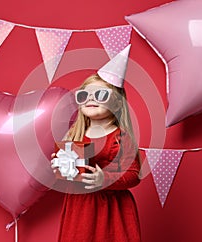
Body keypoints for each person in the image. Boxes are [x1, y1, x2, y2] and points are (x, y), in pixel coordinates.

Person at [52, 45, 141, 242]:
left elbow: (133, 175)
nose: (91, 99)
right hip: (80, 210)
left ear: (117, 103)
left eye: (101, 95)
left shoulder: (121, 137)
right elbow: (68, 174)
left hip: (110, 210)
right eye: (84, 95)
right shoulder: (74, 135)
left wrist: (106, 179)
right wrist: (59, 165)